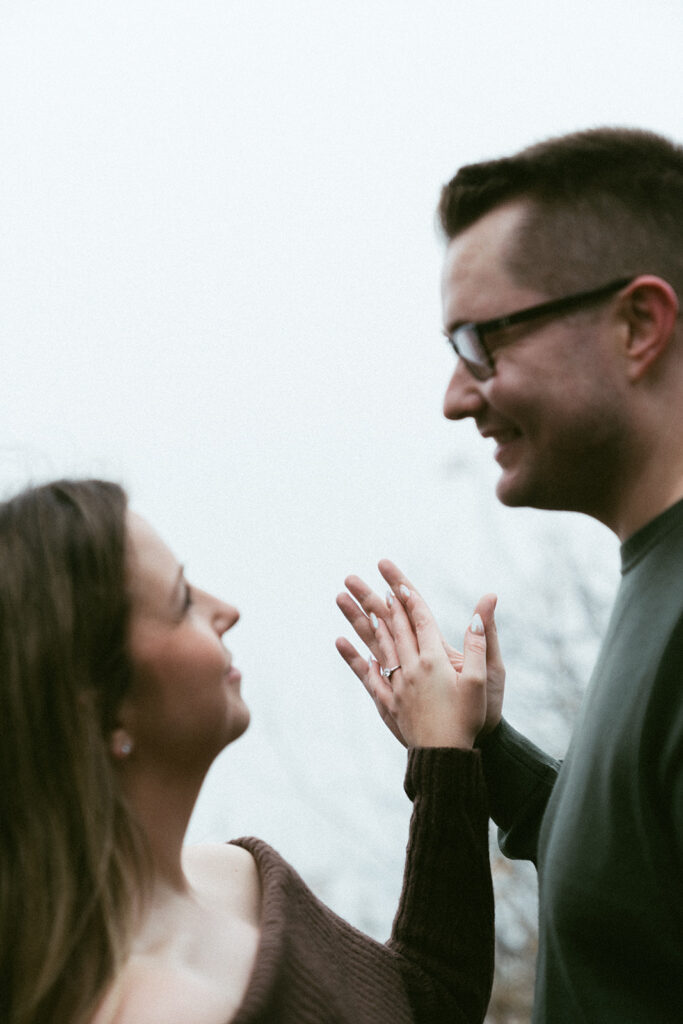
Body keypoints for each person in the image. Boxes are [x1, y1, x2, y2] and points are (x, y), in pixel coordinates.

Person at [338, 127, 683, 1022]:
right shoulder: (653, 584)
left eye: (482, 342)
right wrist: (484, 753)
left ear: (637, 326)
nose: (456, 395)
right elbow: (632, 876)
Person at [0, 478, 495, 1024]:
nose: (227, 610)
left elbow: (430, 1001)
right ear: (102, 706)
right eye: (183, 600)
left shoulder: (239, 877)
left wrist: (446, 750)